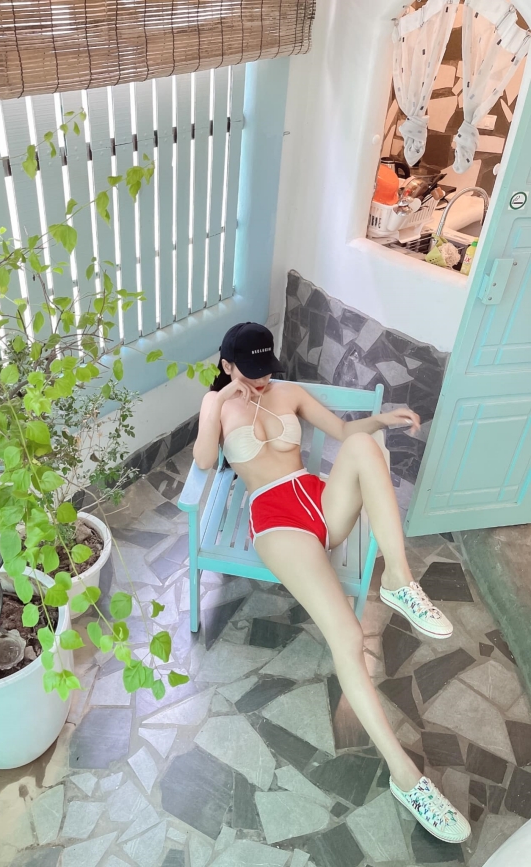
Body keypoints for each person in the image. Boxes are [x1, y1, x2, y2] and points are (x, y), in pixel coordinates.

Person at [193, 321, 471, 844]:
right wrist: (220, 401)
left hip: (319, 500)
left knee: (366, 448)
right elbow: (206, 460)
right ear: (227, 364)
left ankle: (400, 581)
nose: (261, 379)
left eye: (265, 368)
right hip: (278, 523)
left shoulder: (288, 393)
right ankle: (407, 778)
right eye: (249, 370)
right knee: (347, 635)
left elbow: (344, 434)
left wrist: (381, 419)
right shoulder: (220, 405)